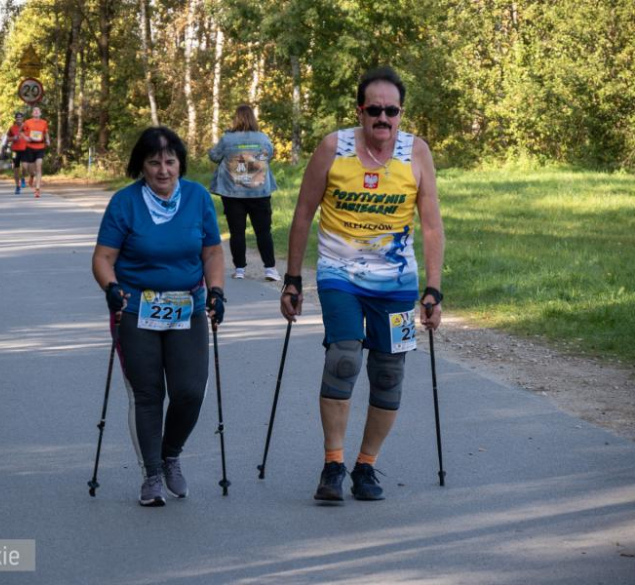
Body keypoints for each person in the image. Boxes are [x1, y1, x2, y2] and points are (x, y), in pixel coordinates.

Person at [280, 66, 445, 503]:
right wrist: (293, 279)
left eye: (392, 111)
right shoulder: (335, 147)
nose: (384, 119)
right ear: (360, 110)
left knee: (389, 374)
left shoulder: (416, 153)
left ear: (400, 113)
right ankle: (333, 464)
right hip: (340, 275)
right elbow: (302, 214)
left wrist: (433, 289)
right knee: (345, 358)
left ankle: (365, 467)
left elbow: (431, 226)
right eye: (375, 110)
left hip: (396, 283)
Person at [92, 126, 225, 507]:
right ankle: (151, 474)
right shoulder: (125, 203)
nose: (163, 170)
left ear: (180, 163)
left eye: (170, 161)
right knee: (148, 393)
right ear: (142, 166)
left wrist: (216, 290)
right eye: (154, 162)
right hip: (136, 308)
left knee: (189, 391)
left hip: (188, 307)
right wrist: (111, 287)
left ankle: (171, 454)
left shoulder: (198, 198)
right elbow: (103, 258)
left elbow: (213, 253)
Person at [208, 104, 280, 281]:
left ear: (236, 119)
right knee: (263, 231)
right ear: (253, 118)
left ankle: (240, 269)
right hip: (260, 192)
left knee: (237, 232)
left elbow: (214, 156)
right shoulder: (263, 138)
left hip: (233, 193)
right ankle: (270, 268)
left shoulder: (227, 139)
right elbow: (269, 155)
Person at [20, 106, 50, 198]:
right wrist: (26, 138)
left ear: (40, 113)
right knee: (28, 168)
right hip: (29, 147)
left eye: (38, 110)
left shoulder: (44, 123)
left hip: (40, 147)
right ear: (32, 113)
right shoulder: (27, 122)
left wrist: (48, 140)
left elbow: (46, 133)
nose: (36, 112)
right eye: (35, 110)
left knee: (39, 165)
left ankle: (37, 190)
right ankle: (32, 176)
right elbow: (21, 132)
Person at [6, 112, 27, 194]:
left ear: (23, 119)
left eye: (20, 118)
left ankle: (23, 178)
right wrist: (13, 138)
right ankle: (17, 186)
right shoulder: (12, 128)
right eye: (17, 119)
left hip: (25, 149)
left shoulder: (26, 127)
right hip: (15, 150)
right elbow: (7, 139)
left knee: (25, 166)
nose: (19, 120)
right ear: (15, 119)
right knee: (16, 169)